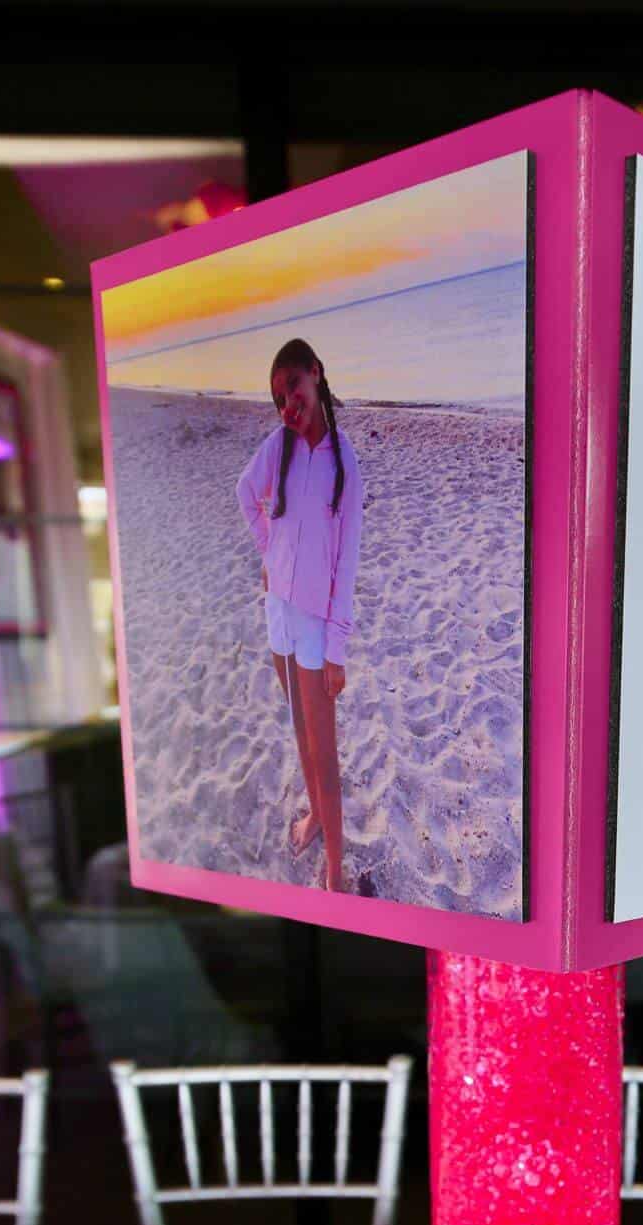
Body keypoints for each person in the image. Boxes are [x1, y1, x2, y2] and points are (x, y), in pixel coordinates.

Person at [236, 337, 363, 893]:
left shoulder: (345, 464)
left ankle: (335, 868)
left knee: (324, 749)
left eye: (293, 388)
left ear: (314, 373)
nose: (289, 405)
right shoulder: (277, 447)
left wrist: (336, 650)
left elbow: (348, 562)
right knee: (297, 730)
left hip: (314, 624)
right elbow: (246, 494)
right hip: (278, 612)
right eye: (279, 398)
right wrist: (270, 555)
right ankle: (313, 817)